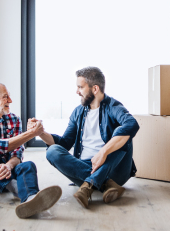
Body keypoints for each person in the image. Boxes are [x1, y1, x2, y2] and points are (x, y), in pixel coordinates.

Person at [32, 66, 139, 209]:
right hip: (84, 168)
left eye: (80, 87)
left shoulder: (113, 107)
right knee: (52, 151)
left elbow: (132, 124)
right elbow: (64, 143)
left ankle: (90, 184)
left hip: (113, 169)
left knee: (124, 133)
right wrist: (40, 133)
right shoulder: (78, 112)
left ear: (95, 89)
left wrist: (103, 152)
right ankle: (103, 184)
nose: (77, 92)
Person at [0, 81, 62, 219]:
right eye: (5, 97)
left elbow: (17, 152)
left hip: (4, 171)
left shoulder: (14, 119)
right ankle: (13, 187)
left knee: (27, 165)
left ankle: (31, 199)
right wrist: (31, 134)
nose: (10, 101)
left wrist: (8, 165)